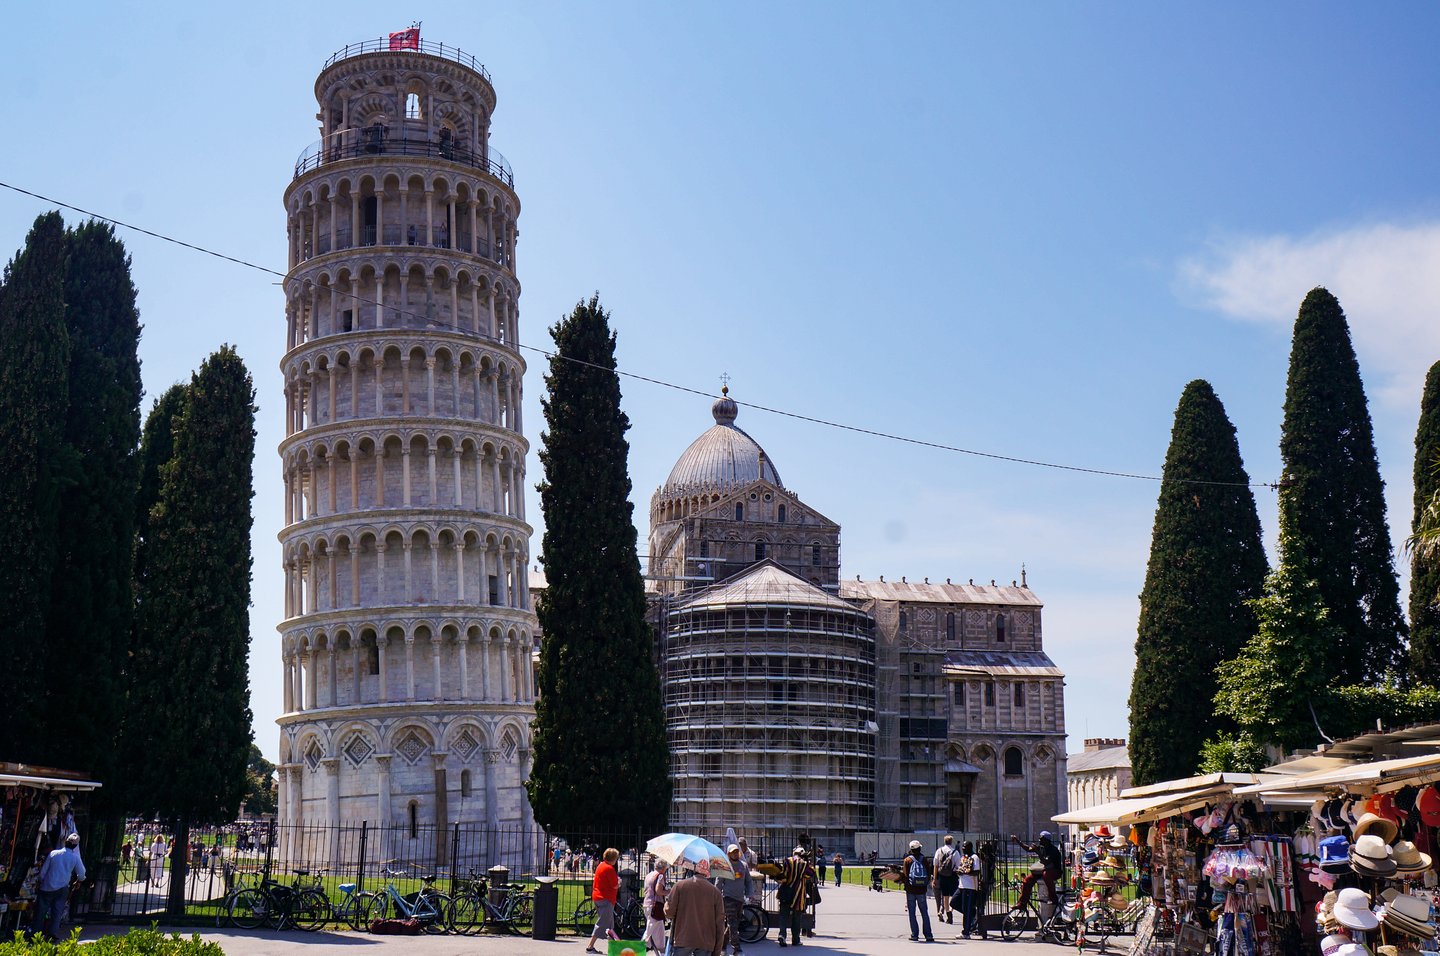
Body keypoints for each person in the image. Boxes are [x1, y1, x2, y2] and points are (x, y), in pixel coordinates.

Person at [666, 858, 727, 956]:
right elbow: (720, 924)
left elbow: (669, 912)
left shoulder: (679, 886)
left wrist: (666, 905)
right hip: (705, 942)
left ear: (693, 870)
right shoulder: (715, 892)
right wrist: (717, 951)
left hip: (683, 939)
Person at [31, 832, 85, 941]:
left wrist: (41, 881)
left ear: (65, 842)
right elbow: (82, 874)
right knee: (57, 912)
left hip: (47, 886)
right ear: (75, 846)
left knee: (41, 912)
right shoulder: (75, 858)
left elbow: (43, 873)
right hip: (62, 888)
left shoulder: (53, 854)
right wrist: (79, 880)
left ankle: (36, 934)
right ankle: (52, 934)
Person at [774, 845, 814, 948]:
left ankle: (782, 935)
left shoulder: (787, 861)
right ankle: (795, 939)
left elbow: (783, 876)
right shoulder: (805, 864)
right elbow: (810, 874)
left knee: (783, 915)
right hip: (798, 894)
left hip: (786, 892)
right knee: (796, 917)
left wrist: (776, 877)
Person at [1012, 831, 1062, 910]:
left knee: (1046, 875)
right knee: (1027, 879)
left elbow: (1046, 862)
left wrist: (1038, 852)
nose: (1039, 840)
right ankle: (1022, 903)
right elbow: (1028, 848)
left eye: (1041, 839)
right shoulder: (1041, 847)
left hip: (1055, 871)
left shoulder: (1053, 850)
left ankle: (1053, 899)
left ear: (1046, 840)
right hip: (1044, 870)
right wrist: (1018, 841)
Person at [585, 847, 620, 954]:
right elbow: (615, 885)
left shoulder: (601, 865)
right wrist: (619, 882)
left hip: (598, 896)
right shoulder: (609, 868)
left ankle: (614, 948)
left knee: (609, 924)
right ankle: (590, 947)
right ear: (613, 858)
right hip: (606, 898)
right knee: (602, 923)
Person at [720, 844, 751, 956]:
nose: (735, 853)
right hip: (728, 899)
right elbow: (718, 883)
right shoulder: (724, 867)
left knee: (733, 925)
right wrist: (717, 897)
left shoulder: (743, 865)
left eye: (736, 851)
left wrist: (749, 894)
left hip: (739, 899)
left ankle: (722, 946)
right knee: (733, 924)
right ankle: (737, 949)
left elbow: (748, 881)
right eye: (733, 852)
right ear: (728, 854)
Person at [902, 840, 935, 943]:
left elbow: (905, 875)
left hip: (910, 890)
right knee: (924, 912)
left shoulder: (907, 860)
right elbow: (928, 874)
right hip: (921, 890)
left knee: (912, 913)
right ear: (919, 848)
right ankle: (928, 935)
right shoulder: (924, 859)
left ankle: (914, 934)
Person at [953, 840, 984, 938]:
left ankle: (966, 932)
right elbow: (962, 868)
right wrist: (959, 871)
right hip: (961, 885)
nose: (963, 848)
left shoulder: (975, 857)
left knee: (966, 909)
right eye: (962, 847)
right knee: (953, 902)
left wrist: (965, 873)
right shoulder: (964, 858)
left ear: (970, 847)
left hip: (970, 886)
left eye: (965, 847)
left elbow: (976, 872)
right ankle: (973, 915)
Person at [642, 858, 670, 954]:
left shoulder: (649, 875)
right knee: (650, 930)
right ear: (663, 868)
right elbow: (659, 891)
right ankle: (639, 948)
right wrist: (669, 891)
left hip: (647, 904)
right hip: (655, 905)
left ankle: (662, 952)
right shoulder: (660, 876)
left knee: (659, 931)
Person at [933, 835, 959, 924]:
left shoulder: (939, 851)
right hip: (952, 875)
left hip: (942, 876)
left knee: (945, 896)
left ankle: (947, 913)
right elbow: (958, 866)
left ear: (944, 841)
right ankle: (951, 911)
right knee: (954, 896)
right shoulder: (955, 852)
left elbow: (935, 865)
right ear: (951, 842)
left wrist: (935, 878)